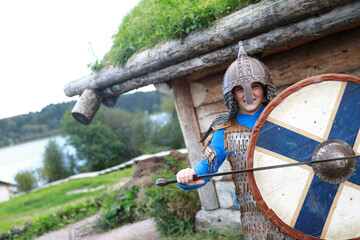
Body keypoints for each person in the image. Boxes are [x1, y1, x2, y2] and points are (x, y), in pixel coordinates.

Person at [176, 42, 295, 239]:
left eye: (255, 86)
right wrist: (187, 177)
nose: (248, 94)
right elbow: (206, 170)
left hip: (294, 201)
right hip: (256, 215)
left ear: (265, 89)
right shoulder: (224, 130)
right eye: (240, 89)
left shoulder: (282, 116)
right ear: (232, 94)